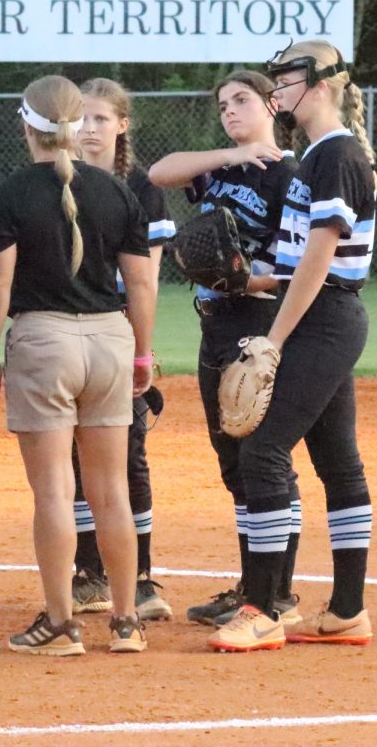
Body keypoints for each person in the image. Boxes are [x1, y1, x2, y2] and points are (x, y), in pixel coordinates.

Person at [205, 40, 377, 652]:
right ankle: (348, 611)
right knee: (337, 463)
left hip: (322, 318)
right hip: (320, 313)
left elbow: (319, 258)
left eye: (287, 80)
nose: (277, 90)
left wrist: (273, 339)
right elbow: (287, 265)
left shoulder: (334, 156)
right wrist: (236, 278)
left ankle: (263, 608)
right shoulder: (317, 158)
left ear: (323, 85)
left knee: (262, 453)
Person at [0, 75, 156, 657]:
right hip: (110, 340)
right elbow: (142, 281)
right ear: (80, 127)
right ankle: (126, 622)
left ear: (26, 126)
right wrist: (142, 352)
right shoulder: (117, 192)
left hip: (43, 341)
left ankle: (60, 624)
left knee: (55, 493)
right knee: (111, 493)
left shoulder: (9, 194)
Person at [148, 70, 303, 629]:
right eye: (222, 105)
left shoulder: (289, 176)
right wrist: (230, 154)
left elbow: (297, 268)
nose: (230, 111)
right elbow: (159, 172)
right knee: (233, 463)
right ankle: (252, 584)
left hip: (256, 322)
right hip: (214, 323)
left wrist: (248, 281)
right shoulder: (219, 168)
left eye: (242, 100)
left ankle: (275, 590)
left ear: (272, 105)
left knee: (265, 459)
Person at [68, 78, 175, 622]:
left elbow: (146, 281)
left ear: (122, 125)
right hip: (68, 326)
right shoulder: (58, 181)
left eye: (101, 119)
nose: (89, 129)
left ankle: (139, 577)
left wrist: (143, 348)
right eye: (81, 119)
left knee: (127, 454)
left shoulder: (141, 188)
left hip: (116, 329)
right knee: (72, 456)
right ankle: (89, 574)